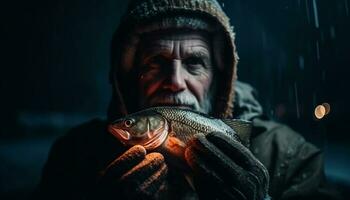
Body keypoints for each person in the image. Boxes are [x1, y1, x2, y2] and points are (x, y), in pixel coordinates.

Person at [35, 0, 339, 199]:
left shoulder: (291, 157)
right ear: (128, 78)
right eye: (156, 62)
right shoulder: (74, 157)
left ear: (220, 78)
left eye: (194, 62)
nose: (176, 81)